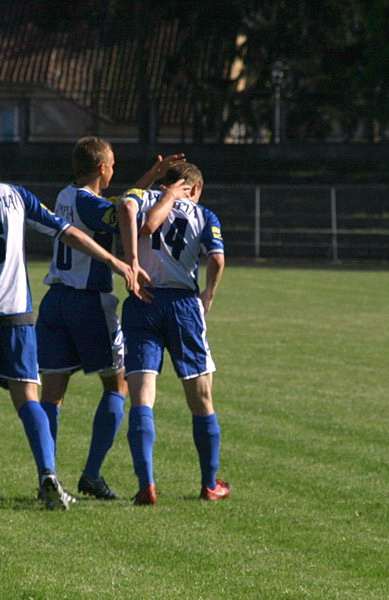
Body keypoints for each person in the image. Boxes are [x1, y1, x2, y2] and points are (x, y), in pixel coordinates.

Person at [0, 139, 137, 510]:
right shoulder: (17, 195)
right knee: (27, 399)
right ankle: (48, 476)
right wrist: (116, 262)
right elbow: (68, 233)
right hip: (17, 315)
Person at [35, 136, 184, 500]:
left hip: (55, 300)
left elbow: (120, 202)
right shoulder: (89, 204)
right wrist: (168, 195)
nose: (115, 169)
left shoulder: (66, 196)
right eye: (113, 163)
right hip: (88, 303)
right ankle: (91, 474)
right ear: (102, 167)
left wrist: (149, 177)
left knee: (52, 396)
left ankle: (48, 477)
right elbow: (124, 212)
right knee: (117, 387)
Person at [119, 162, 231, 505]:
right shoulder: (204, 214)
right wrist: (209, 293)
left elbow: (128, 211)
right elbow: (217, 258)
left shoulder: (141, 199)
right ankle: (209, 483)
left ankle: (147, 484)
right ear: (193, 188)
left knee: (141, 396)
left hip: (142, 299)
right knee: (200, 397)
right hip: (182, 305)